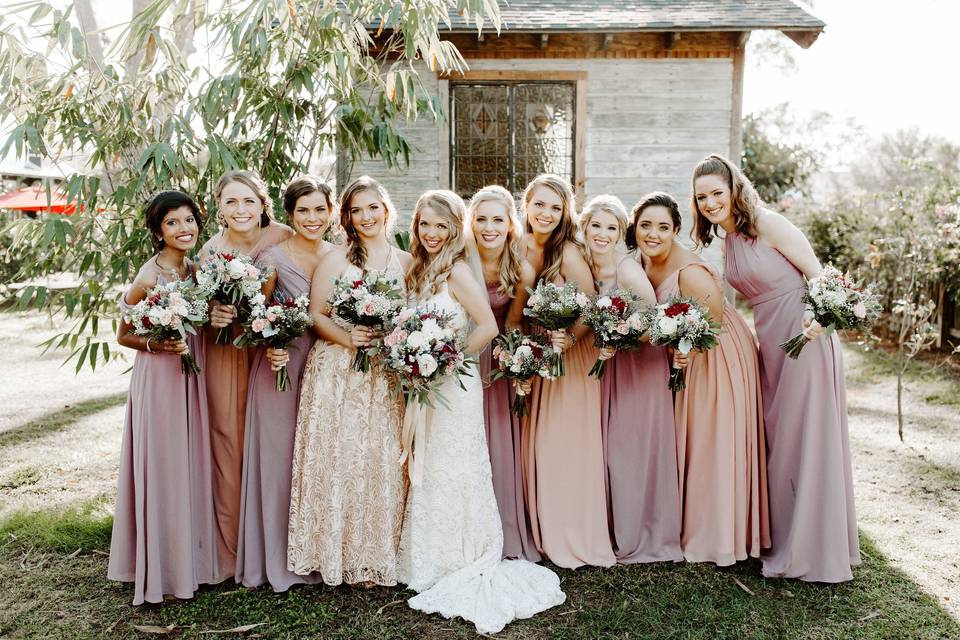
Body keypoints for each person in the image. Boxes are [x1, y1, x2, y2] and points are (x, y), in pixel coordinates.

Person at [397, 190, 565, 635]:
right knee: (433, 463)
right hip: (431, 380)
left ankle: (463, 552)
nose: (432, 233)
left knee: (459, 464)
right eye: (425, 225)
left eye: (441, 226)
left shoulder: (457, 270)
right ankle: (431, 552)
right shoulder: (421, 268)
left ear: (456, 229)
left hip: (456, 379)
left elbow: (490, 327)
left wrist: (443, 362)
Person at [691, 154, 859, 582]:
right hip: (771, 340)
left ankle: (813, 548)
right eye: (702, 197)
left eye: (717, 193)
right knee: (782, 436)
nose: (710, 202)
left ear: (734, 190)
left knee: (807, 435)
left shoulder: (766, 223)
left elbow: (817, 273)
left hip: (805, 334)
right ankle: (786, 535)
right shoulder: (726, 239)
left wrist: (820, 318)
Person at [287, 176, 410, 586]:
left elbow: (412, 318)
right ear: (347, 217)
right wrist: (349, 337)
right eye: (357, 210)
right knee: (342, 458)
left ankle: (377, 552)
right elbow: (317, 315)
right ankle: (334, 552)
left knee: (378, 458)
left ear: (386, 209)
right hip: (338, 373)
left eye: (372, 207)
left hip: (383, 374)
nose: (366, 217)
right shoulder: (337, 260)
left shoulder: (406, 261)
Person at [637, 190, 769, 566]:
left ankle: (716, 534)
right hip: (687, 351)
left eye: (663, 227)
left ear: (676, 230)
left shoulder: (690, 271)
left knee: (713, 436)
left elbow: (710, 322)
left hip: (715, 353)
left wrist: (685, 351)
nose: (654, 234)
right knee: (692, 436)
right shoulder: (644, 263)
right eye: (646, 225)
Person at [108, 190, 224, 603]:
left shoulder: (196, 269)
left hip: (190, 374)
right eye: (172, 222)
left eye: (189, 219)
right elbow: (123, 334)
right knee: (163, 464)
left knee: (187, 461)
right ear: (159, 231)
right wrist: (158, 345)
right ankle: (162, 568)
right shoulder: (149, 275)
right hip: (159, 378)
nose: (184, 228)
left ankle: (188, 559)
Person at [235, 176, 336, 591]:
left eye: (319, 209)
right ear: (290, 215)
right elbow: (251, 316)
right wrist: (269, 344)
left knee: (317, 461)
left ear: (331, 212)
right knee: (280, 462)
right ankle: (276, 560)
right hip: (281, 367)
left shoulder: (343, 255)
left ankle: (317, 551)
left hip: (330, 370)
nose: (312, 218)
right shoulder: (273, 258)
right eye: (303, 211)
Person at [521, 174, 616, 568]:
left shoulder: (570, 254)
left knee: (565, 445)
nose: (546, 213)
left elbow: (591, 307)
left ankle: (573, 532)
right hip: (536, 354)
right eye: (539, 204)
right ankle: (542, 526)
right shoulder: (516, 246)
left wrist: (569, 339)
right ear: (526, 205)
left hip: (569, 361)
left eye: (555, 208)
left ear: (565, 214)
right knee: (541, 442)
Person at [581, 194, 682, 563]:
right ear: (585, 227)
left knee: (634, 450)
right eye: (597, 226)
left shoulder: (627, 268)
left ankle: (647, 534)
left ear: (620, 232)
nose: (603, 234)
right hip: (612, 369)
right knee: (612, 451)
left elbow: (655, 319)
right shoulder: (587, 267)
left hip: (641, 366)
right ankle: (614, 529)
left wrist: (618, 335)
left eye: (611, 227)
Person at [200, 169, 293, 571]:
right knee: (231, 441)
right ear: (219, 207)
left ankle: (282, 538)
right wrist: (213, 315)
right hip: (228, 355)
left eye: (248, 201)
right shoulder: (210, 251)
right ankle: (234, 547)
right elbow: (198, 309)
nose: (240, 209)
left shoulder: (283, 237)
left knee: (281, 443)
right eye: (231, 201)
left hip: (277, 352)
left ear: (262, 204)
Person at [467, 185, 540, 561]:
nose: (489, 227)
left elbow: (513, 324)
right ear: (471, 222)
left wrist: (515, 365)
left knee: (496, 437)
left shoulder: (520, 268)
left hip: (496, 358)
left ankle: (503, 527)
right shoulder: (460, 261)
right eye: (481, 219)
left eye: (497, 219)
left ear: (511, 224)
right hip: (461, 352)